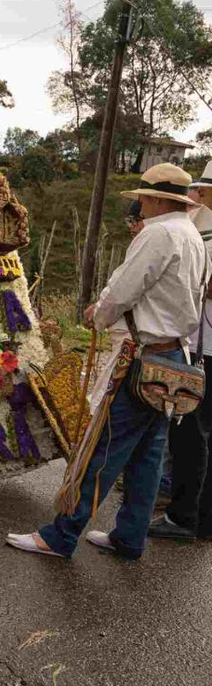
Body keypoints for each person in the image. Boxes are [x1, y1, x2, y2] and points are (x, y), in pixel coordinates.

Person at [7, 163, 207, 560]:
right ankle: (130, 536)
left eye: (141, 199)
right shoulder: (192, 235)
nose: (140, 206)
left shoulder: (158, 234)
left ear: (152, 199)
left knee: (104, 448)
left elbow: (124, 289)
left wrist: (98, 314)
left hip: (144, 356)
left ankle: (61, 535)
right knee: (148, 454)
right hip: (172, 358)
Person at [149, 160, 212, 540]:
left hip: (205, 344)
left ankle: (188, 515)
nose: (200, 195)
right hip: (202, 339)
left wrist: (189, 283)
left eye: (206, 190)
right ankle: (192, 512)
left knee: (193, 431)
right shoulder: (200, 224)